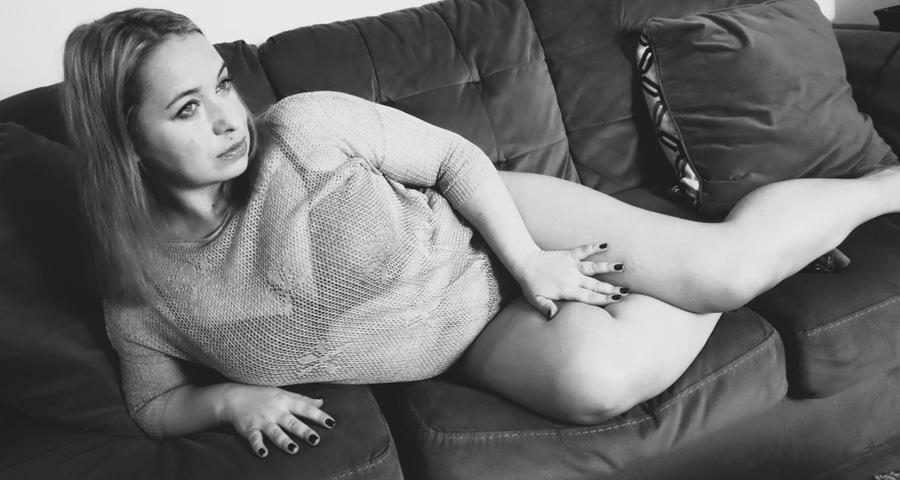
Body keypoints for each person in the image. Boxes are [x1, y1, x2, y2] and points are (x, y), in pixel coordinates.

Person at [62, 8, 900, 458]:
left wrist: (528, 260)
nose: (227, 118)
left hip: (499, 224)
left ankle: (878, 190)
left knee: (725, 274)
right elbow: (153, 403)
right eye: (187, 108)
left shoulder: (302, 129)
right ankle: (734, 241)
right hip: (463, 336)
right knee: (595, 383)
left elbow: (454, 158)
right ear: (123, 141)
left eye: (221, 84)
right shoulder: (143, 281)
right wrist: (230, 400)